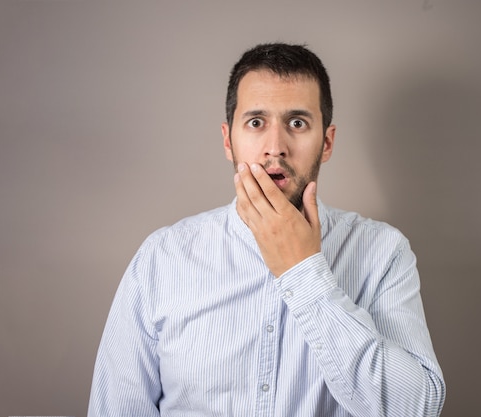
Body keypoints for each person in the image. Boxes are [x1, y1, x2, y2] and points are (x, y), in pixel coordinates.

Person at [88, 42, 446, 417]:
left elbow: (416, 409)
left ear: (326, 142)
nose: (275, 148)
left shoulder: (383, 253)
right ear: (229, 141)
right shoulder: (162, 258)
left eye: (297, 123)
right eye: (256, 123)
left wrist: (303, 271)